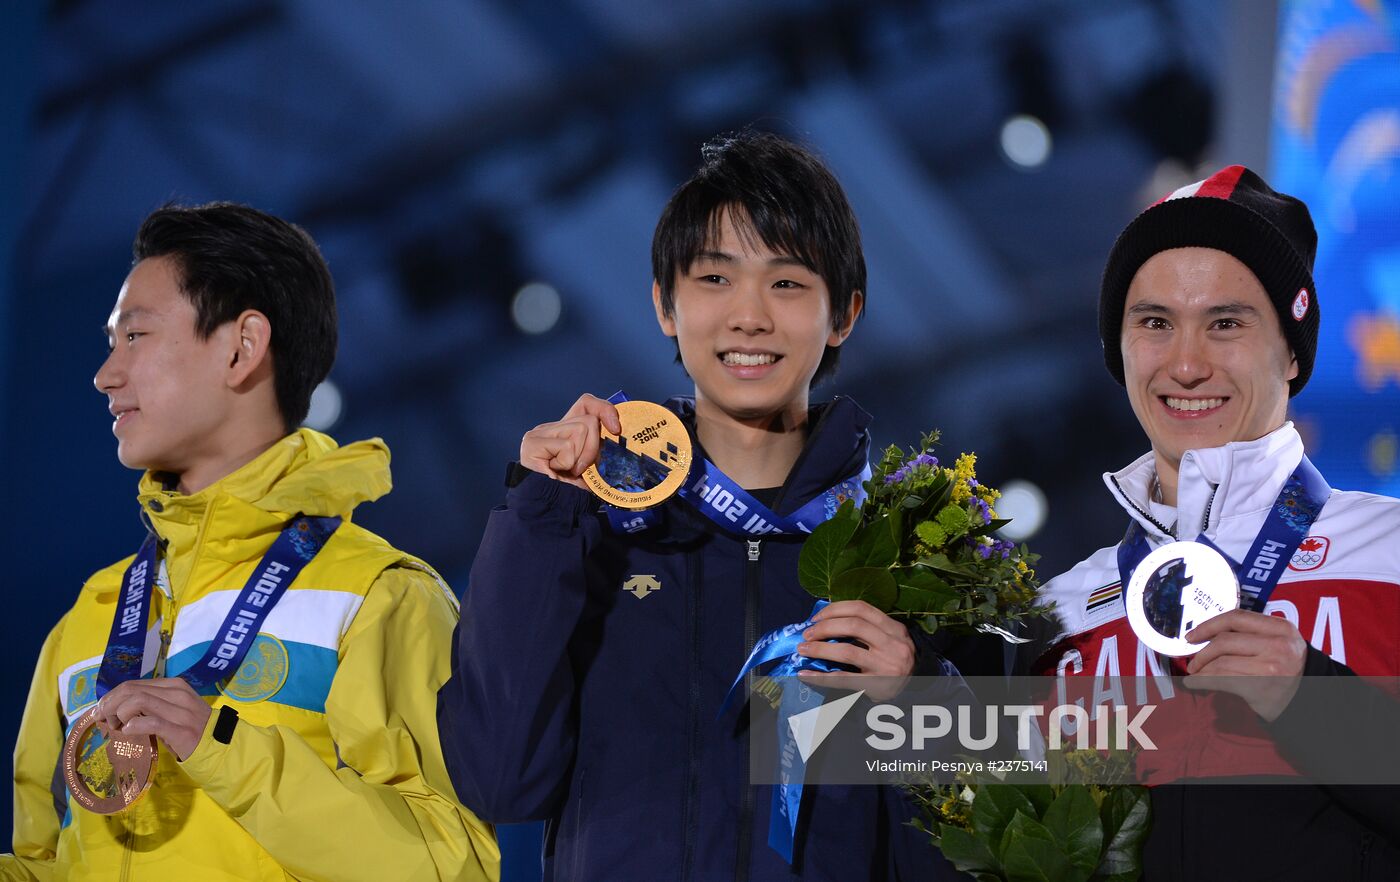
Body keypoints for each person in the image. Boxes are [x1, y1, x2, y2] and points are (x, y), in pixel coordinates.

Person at [438, 131, 977, 880]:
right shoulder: (590, 528)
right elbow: (500, 781)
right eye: (715, 280)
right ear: (665, 305)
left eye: (788, 284)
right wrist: (539, 513)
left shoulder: (915, 553)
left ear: (844, 314)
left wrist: (922, 700)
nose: (749, 317)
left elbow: (982, 844)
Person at [2, 204, 499, 881]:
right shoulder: (88, 620)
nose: (105, 375)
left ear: (241, 347)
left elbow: (452, 865)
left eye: (135, 337)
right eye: (111, 342)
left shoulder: (376, 596)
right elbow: (46, 863)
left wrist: (220, 744)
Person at [1033, 165, 1400, 879]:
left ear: (1292, 351)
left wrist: (1311, 700)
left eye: (1225, 323)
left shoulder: (1390, 553)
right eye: (1155, 324)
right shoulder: (1059, 617)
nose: (1187, 363)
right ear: (1121, 350)